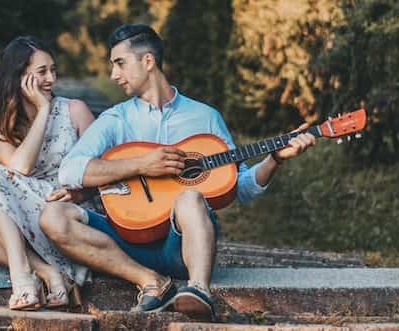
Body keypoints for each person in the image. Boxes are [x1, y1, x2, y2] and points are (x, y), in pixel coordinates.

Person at [38, 24, 317, 320]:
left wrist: (274, 159)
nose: (113, 75)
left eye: (120, 64)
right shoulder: (115, 119)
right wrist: (140, 164)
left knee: (190, 197)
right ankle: (150, 282)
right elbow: (70, 169)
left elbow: (242, 186)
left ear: (148, 61)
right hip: (124, 240)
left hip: (181, 247)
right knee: (53, 216)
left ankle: (198, 290)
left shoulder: (205, 118)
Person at [0, 36, 96, 311]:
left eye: (53, 70)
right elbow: (20, 170)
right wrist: (42, 111)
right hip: (19, 217)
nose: (51, 78)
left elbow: (102, 173)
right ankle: (45, 272)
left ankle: (23, 280)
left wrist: (79, 192)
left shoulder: (75, 111)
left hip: (62, 212)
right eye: (42, 72)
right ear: (20, 77)